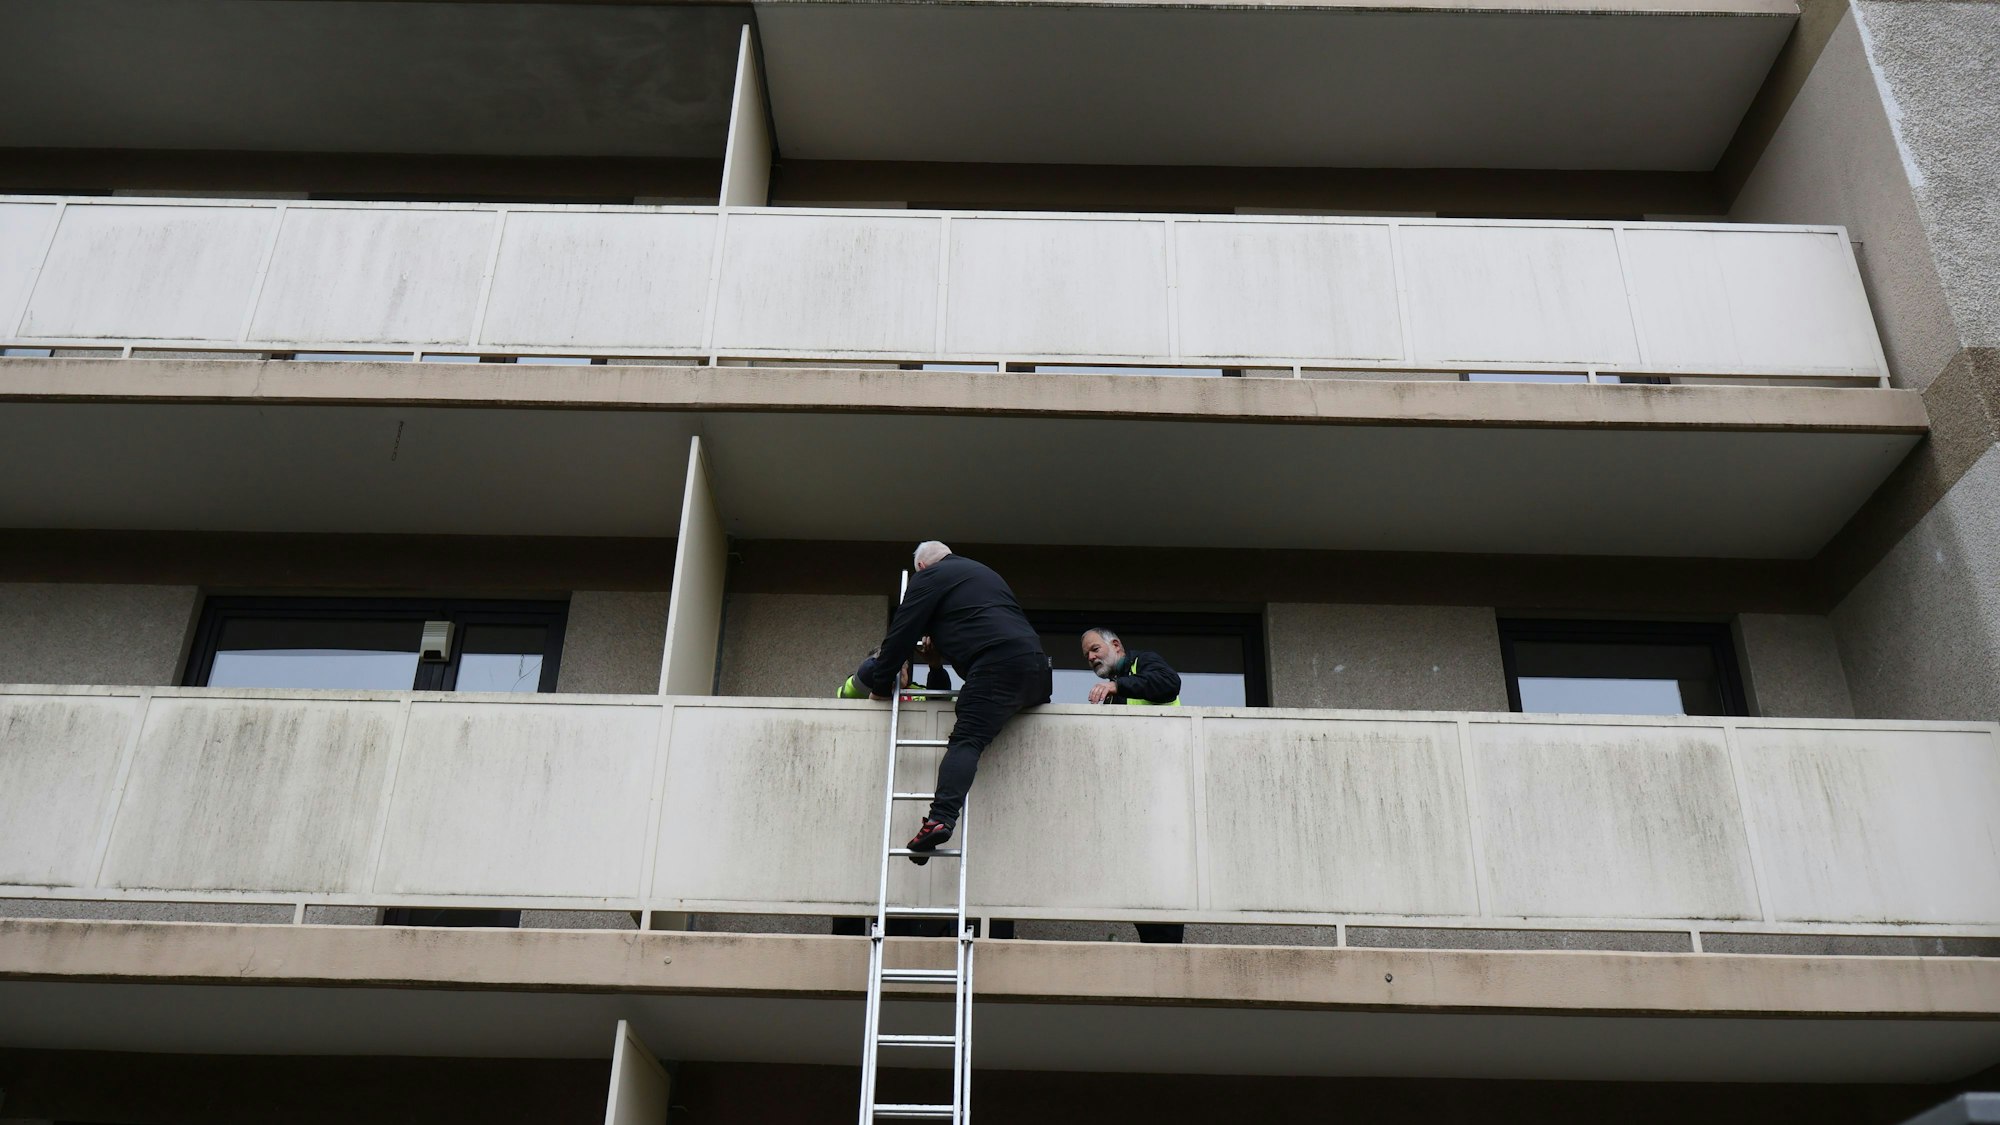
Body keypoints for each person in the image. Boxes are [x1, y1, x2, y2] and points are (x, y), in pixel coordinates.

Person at [858, 541, 1051, 863]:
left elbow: (901, 636)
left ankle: (939, 819)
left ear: (921, 567)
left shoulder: (929, 578)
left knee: (966, 741)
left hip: (996, 666)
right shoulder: (982, 573)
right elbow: (980, 621)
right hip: (1037, 670)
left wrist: (880, 686)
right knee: (985, 720)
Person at [1081, 627, 1182, 706]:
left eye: (1095, 649)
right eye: (1086, 656)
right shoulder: (1112, 694)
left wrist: (1117, 686)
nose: (1090, 657)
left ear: (1116, 645)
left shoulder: (1143, 660)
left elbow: (1170, 681)